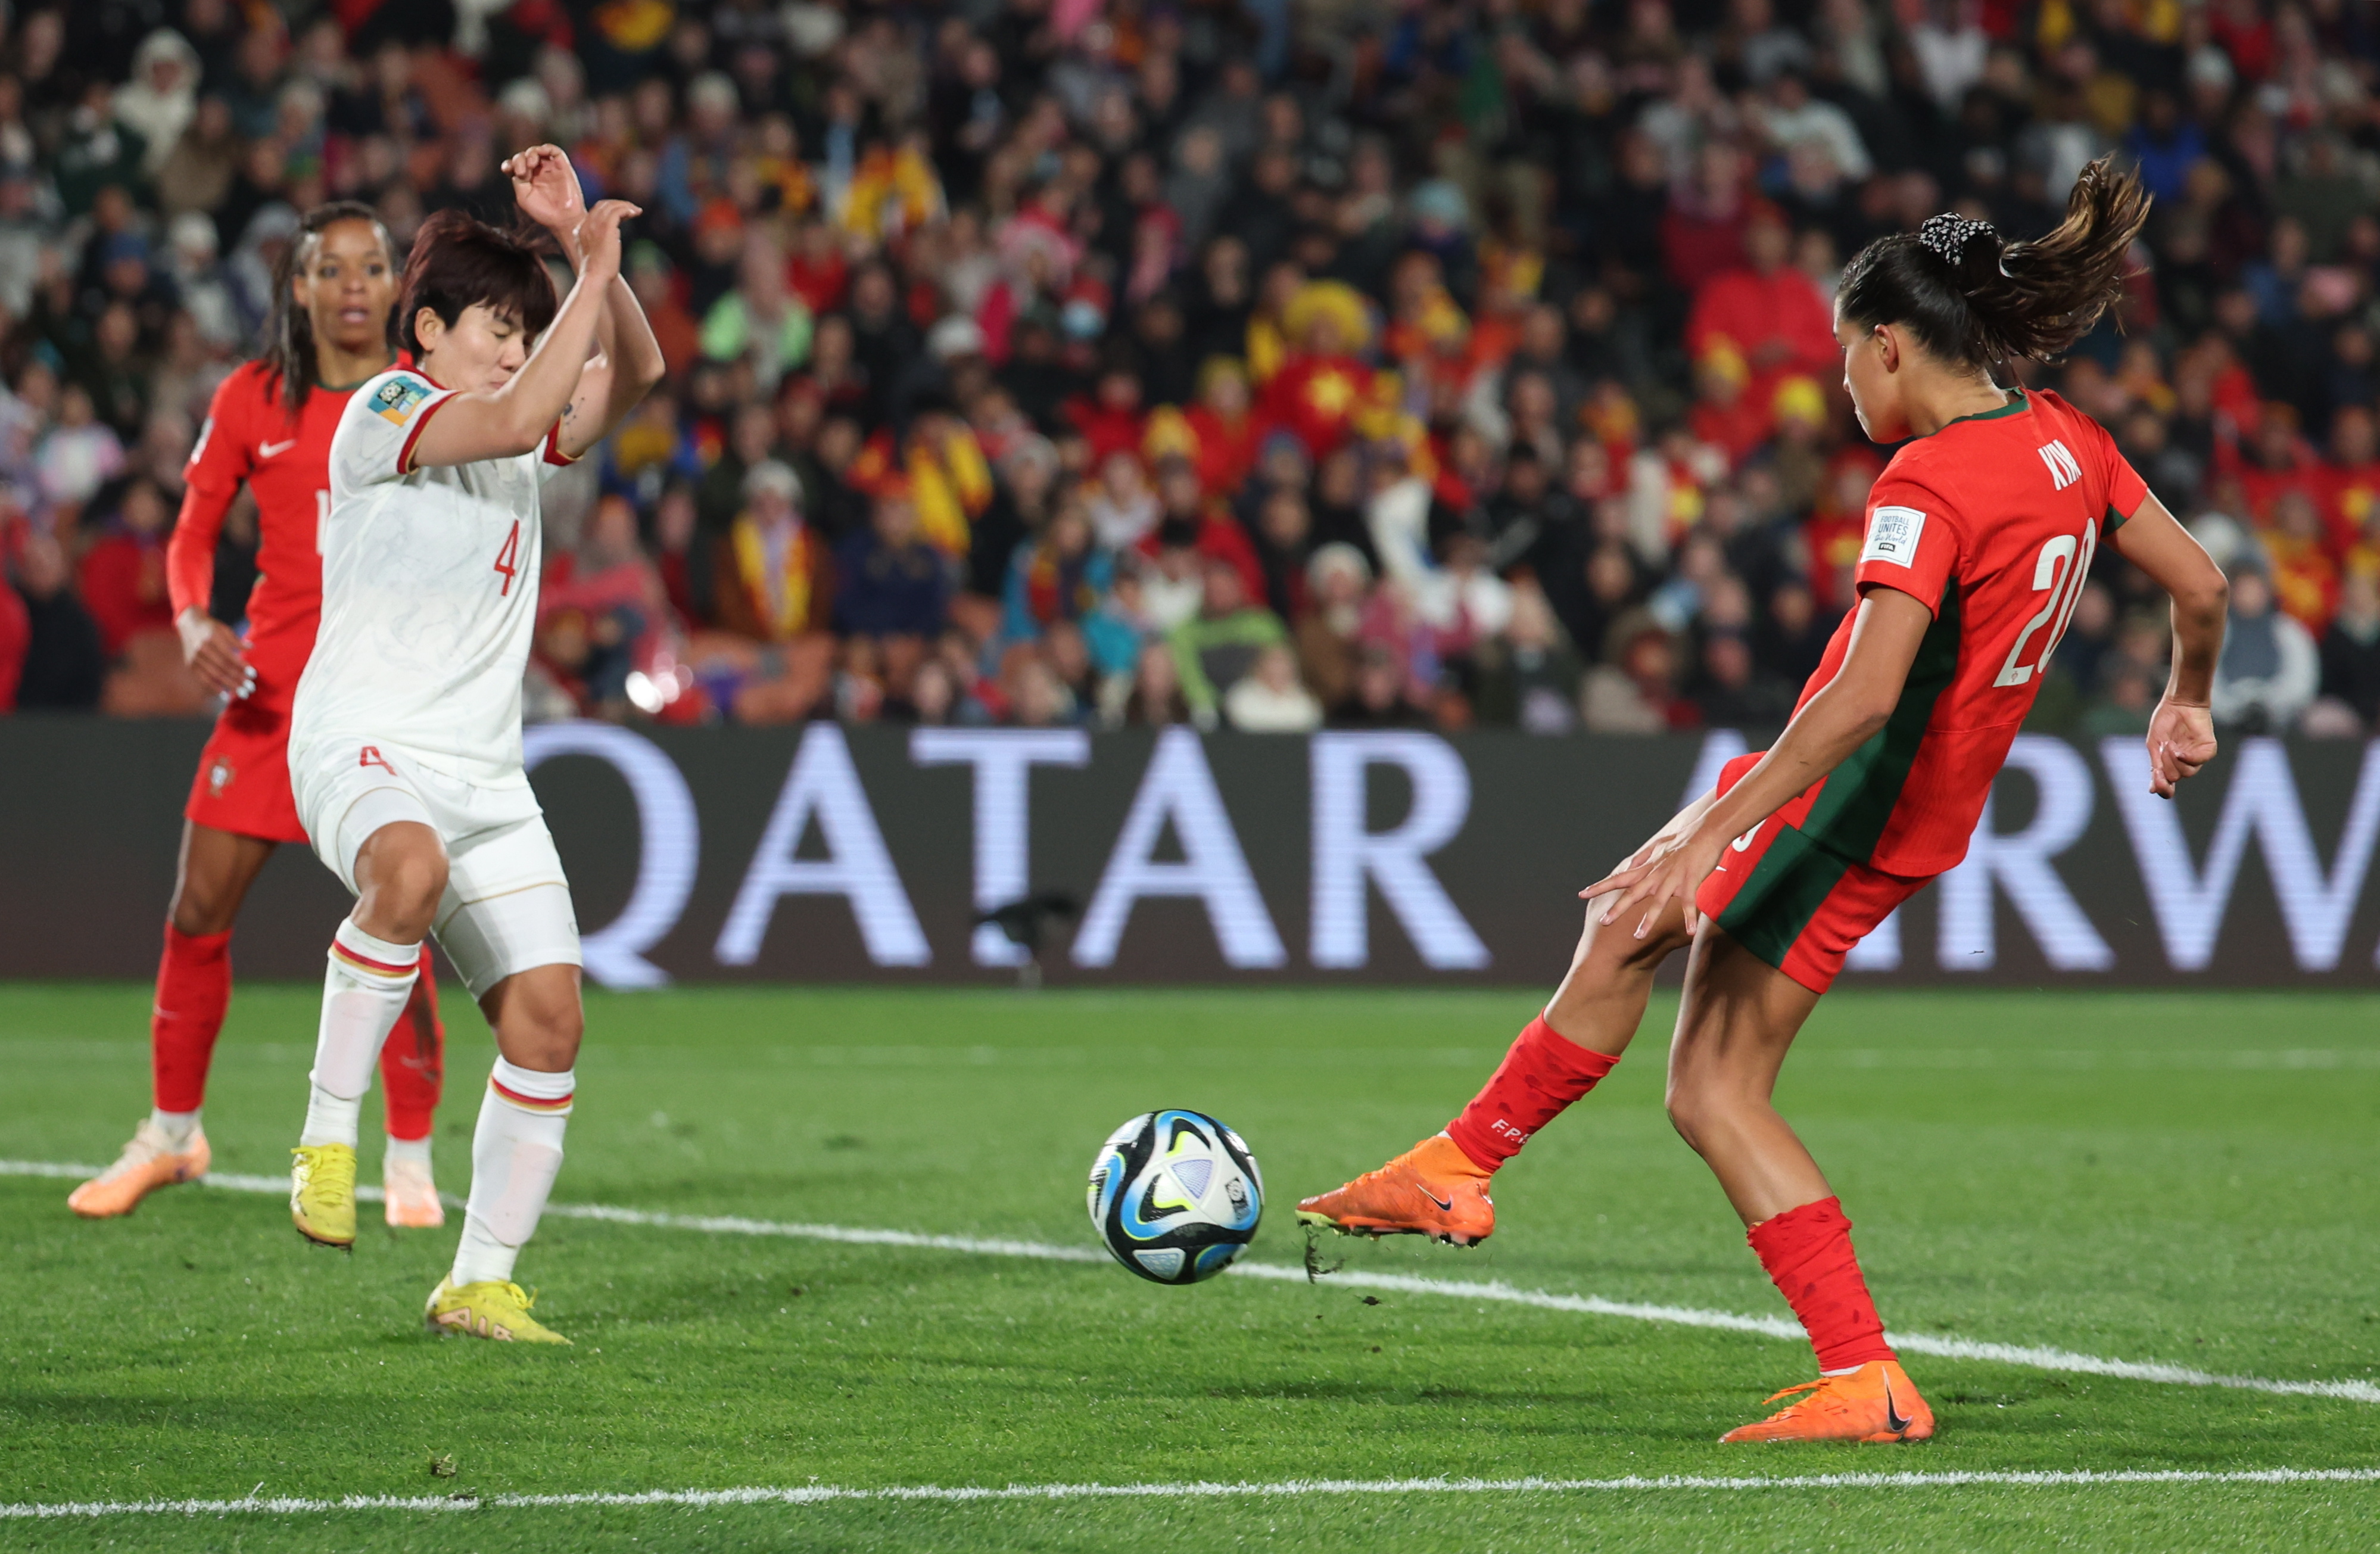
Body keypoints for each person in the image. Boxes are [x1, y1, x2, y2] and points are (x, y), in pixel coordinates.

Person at [1298, 160, 2227, 1443]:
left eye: (1846, 356)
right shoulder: (2070, 440)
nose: (1841, 382)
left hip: (1850, 802)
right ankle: (1482, 1180)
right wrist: (2188, 698)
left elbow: (1862, 696)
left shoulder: (1928, 484)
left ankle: (1471, 1174)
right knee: (1694, 1060)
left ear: (1891, 346)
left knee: (1670, 990)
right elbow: (2205, 587)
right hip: (1896, 813)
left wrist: (1710, 824)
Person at [284, 145, 663, 1345]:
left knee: (550, 1020)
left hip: (486, 779)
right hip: (364, 747)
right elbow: (515, 406)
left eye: (526, 329)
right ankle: (326, 1136)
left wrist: (592, 262)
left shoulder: (518, 444)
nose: (513, 346)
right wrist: (580, 264)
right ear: (429, 329)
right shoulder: (384, 409)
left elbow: (640, 374)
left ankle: (481, 1281)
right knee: (408, 873)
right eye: (498, 326)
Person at [68, 203, 456, 1231]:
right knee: (197, 912)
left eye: (373, 266)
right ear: (300, 286)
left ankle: (408, 1157)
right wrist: (194, 616)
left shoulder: (426, 399)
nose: (356, 285)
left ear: (395, 283)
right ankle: (171, 1131)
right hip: (270, 693)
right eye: (333, 269)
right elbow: (192, 527)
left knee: (399, 925)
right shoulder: (254, 398)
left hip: (379, 701)